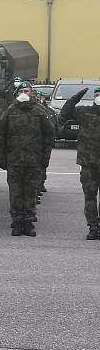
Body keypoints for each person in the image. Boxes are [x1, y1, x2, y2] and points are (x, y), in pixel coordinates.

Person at [0, 81, 54, 237]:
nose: (24, 93)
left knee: (30, 193)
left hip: (33, 161)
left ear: (32, 93)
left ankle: (28, 223)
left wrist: (45, 158)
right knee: (15, 194)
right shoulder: (10, 111)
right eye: (21, 90)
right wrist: (2, 158)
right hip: (14, 161)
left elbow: (49, 135)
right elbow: (1, 135)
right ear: (17, 93)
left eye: (27, 91)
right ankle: (16, 223)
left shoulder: (40, 111)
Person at [58, 86, 100, 239]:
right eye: (97, 94)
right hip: (88, 163)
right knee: (90, 197)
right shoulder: (85, 112)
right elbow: (64, 114)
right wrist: (75, 98)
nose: (99, 96)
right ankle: (93, 227)